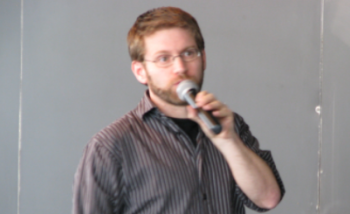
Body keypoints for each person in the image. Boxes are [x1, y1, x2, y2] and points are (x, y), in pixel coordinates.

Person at [72, 6, 285, 214]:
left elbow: (268, 199)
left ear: (204, 58)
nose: (181, 68)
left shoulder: (230, 125)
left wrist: (229, 141)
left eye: (188, 53)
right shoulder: (109, 147)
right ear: (141, 72)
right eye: (164, 58)